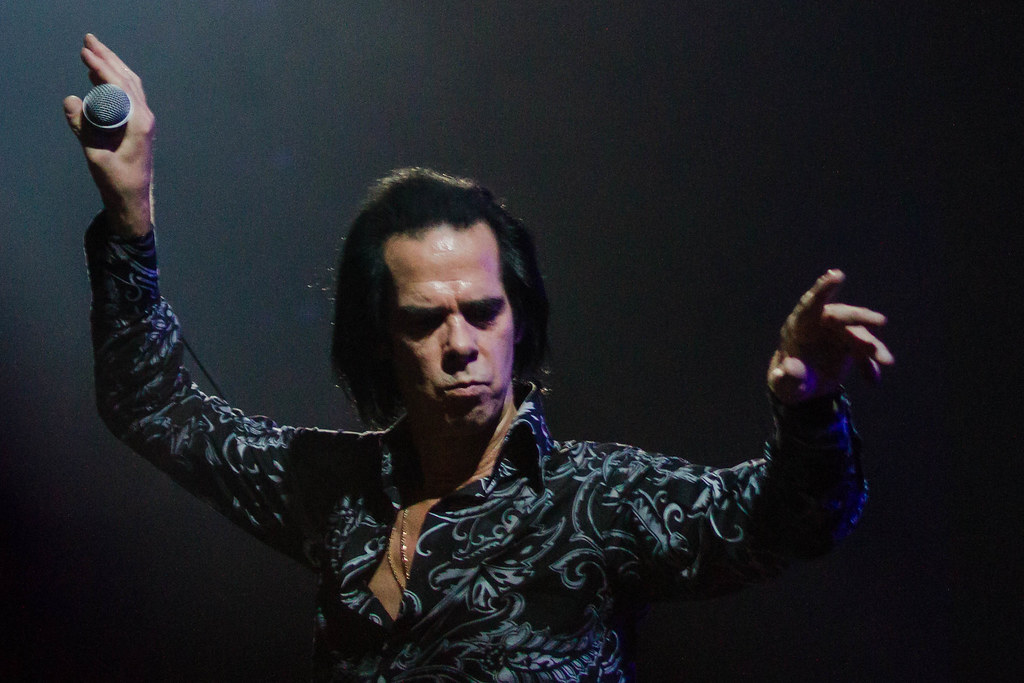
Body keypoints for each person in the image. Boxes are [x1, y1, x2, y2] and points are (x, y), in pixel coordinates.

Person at [65, 34, 894, 682]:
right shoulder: (335, 491)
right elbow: (153, 407)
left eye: (483, 312)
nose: (460, 344)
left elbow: (783, 520)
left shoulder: (595, 499)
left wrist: (808, 406)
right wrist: (131, 217)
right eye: (425, 320)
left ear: (518, 322)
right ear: (382, 338)